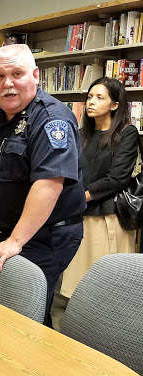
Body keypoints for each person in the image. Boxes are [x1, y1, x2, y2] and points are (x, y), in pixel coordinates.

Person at [0, 44, 85, 326]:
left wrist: (16, 241)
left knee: (23, 312)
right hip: (8, 234)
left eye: (17, 74)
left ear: (35, 75)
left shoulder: (51, 120)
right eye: (0, 76)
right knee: (1, 308)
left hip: (46, 237)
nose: (8, 83)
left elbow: (49, 184)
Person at [61, 77, 139, 297]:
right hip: (80, 214)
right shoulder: (80, 133)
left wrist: (80, 197)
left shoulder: (126, 133)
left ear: (114, 105)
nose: (91, 102)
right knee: (77, 286)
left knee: (107, 288)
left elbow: (117, 178)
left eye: (99, 97)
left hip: (108, 216)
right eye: (89, 97)